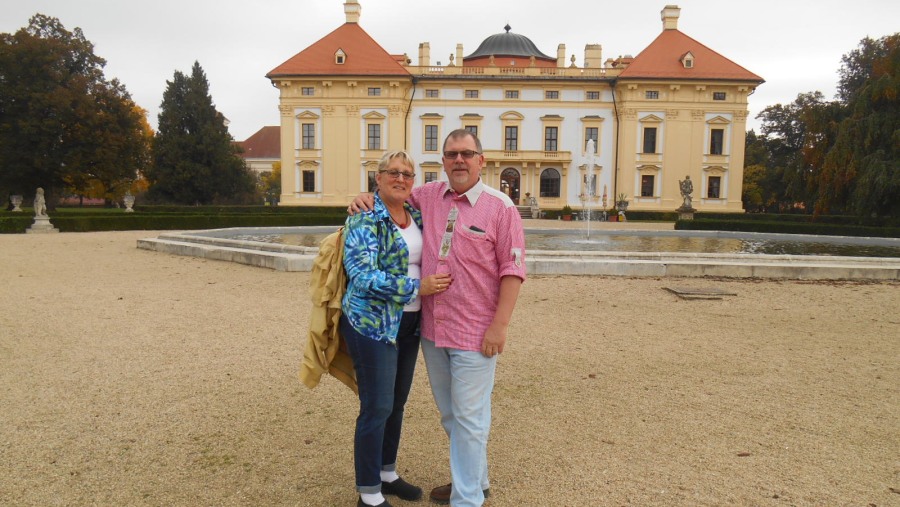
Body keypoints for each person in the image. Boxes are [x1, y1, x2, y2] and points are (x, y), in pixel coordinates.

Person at [350, 130, 526, 507]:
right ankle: (475, 482)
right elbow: (391, 194)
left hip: (477, 331)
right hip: (431, 330)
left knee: (470, 419)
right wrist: (364, 196)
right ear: (443, 161)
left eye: (466, 153)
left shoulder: (501, 207)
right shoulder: (427, 196)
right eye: (451, 154)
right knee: (452, 415)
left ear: (482, 160)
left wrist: (500, 325)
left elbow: (513, 269)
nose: (458, 160)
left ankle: (466, 499)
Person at [340, 150, 450, 507]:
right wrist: (416, 287)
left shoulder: (414, 213)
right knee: (377, 406)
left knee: (397, 403)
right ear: (378, 178)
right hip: (372, 325)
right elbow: (362, 275)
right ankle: (368, 493)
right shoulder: (365, 218)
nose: (401, 179)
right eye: (393, 172)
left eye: (407, 174)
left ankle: (386, 472)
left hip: (409, 323)